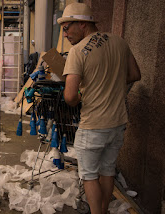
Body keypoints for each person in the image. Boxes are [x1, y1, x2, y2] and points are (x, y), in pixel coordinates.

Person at [57, 3, 141, 214]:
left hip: (93, 125)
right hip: (118, 123)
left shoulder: (77, 52)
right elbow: (135, 74)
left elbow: (69, 96)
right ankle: (102, 210)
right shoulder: (120, 42)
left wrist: (84, 95)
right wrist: (111, 87)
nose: (65, 33)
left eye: (67, 27)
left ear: (83, 24)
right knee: (107, 171)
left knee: (89, 175)